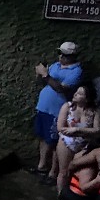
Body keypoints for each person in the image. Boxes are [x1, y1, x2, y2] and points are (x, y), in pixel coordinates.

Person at [32, 42, 84, 180]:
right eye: (60, 53)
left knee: (55, 142)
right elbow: (43, 82)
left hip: (57, 110)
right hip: (43, 107)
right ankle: (41, 166)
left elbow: (61, 88)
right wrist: (40, 74)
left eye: (65, 55)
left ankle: (53, 173)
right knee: (43, 137)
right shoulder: (56, 65)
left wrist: (45, 75)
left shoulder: (76, 72)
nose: (61, 57)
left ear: (73, 56)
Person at [53, 82, 100, 199]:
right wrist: (74, 131)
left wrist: (77, 129)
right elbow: (60, 127)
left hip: (84, 144)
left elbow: (97, 130)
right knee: (63, 172)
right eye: (77, 92)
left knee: (74, 171)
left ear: (87, 98)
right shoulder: (67, 106)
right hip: (67, 142)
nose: (76, 94)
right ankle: (61, 199)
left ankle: (72, 197)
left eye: (80, 94)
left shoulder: (95, 111)